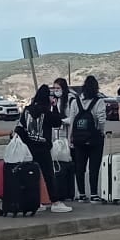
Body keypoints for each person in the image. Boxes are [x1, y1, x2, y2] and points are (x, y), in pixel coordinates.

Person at [16, 86, 71, 214]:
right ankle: (55, 202)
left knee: (32, 176)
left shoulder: (27, 110)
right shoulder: (45, 111)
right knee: (48, 175)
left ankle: (36, 201)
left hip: (29, 147)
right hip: (43, 147)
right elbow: (57, 122)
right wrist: (55, 106)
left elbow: (21, 127)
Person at [64, 75, 105, 201]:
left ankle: (81, 193)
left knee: (79, 167)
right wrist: (100, 131)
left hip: (78, 139)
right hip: (95, 139)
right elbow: (101, 120)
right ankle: (93, 194)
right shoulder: (99, 101)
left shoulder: (75, 101)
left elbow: (72, 121)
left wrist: (70, 137)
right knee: (94, 167)